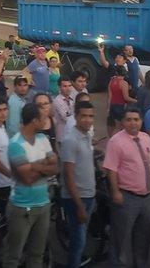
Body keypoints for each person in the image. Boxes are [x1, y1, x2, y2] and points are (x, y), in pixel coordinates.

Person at [103, 106, 150, 268]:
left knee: (143, 235)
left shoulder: (145, 138)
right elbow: (111, 169)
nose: (133, 123)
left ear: (141, 121)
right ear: (123, 122)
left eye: (136, 119)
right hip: (127, 197)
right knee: (121, 237)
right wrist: (115, 192)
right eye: (128, 120)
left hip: (146, 197)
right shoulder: (116, 142)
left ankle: (140, 263)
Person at [4, 103, 58, 268]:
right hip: (22, 208)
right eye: (43, 118)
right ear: (34, 121)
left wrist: (34, 165)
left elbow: (56, 167)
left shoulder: (43, 139)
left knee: (37, 254)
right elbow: (27, 178)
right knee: (14, 256)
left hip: (43, 204)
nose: (46, 121)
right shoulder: (15, 144)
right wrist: (44, 165)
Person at [59, 101, 96, 268]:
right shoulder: (70, 140)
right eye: (84, 116)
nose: (88, 120)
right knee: (78, 241)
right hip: (77, 198)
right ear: (76, 117)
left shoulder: (86, 135)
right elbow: (68, 175)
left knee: (81, 238)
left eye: (91, 116)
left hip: (88, 195)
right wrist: (79, 206)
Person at [107, 65, 136, 137]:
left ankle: (110, 138)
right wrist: (136, 100)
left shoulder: (111, 81)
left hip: (112, 105)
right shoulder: (124, 83)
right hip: (121, 106)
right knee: (122, 127)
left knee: (112, 124)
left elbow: (110, 96)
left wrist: (108, 107)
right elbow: (126, 97)